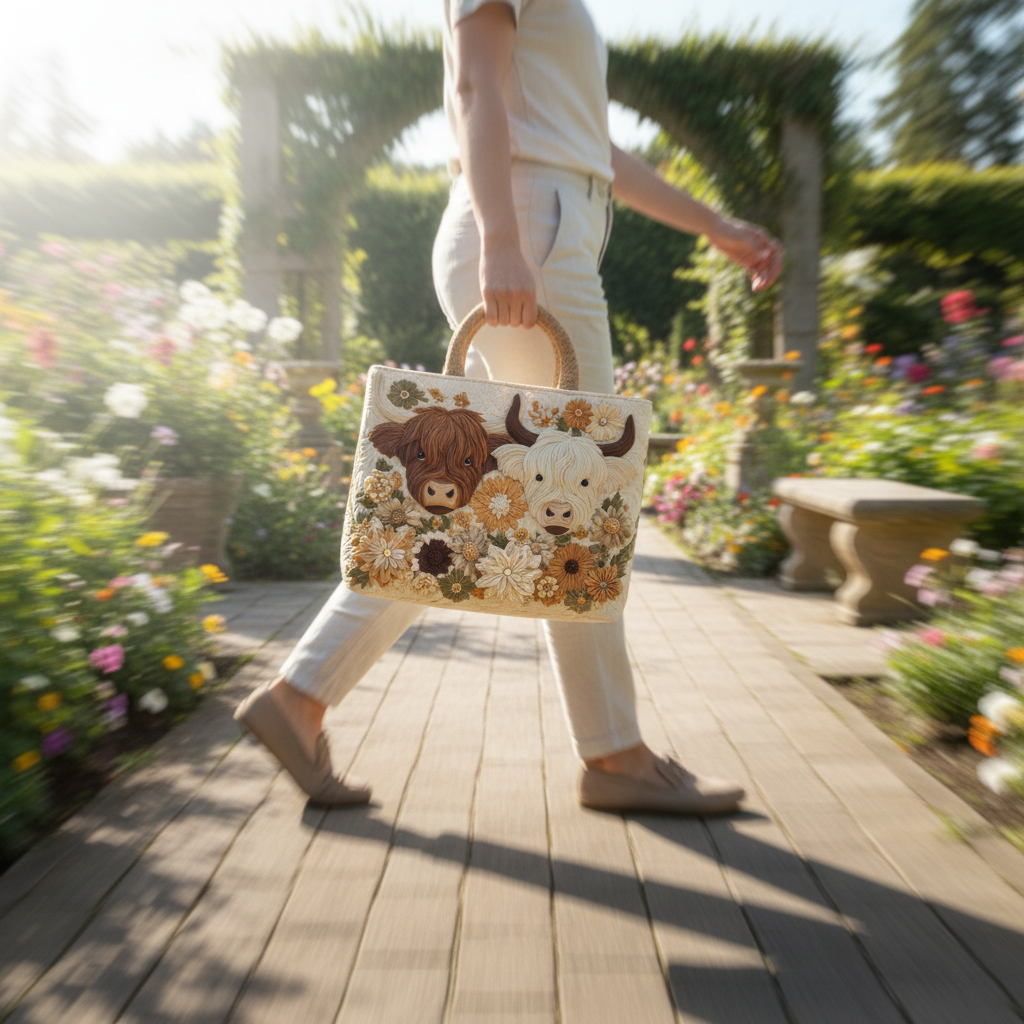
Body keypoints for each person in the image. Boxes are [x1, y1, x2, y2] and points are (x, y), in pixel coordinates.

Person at [235, 0, 783, 814]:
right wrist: (501, 239)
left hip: (550, 220)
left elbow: (587, 143)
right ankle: (614, 755)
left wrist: (715, 226)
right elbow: (473, 89)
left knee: (521, 507)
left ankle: (302, 697)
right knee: (581, 500)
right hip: (528, 227)